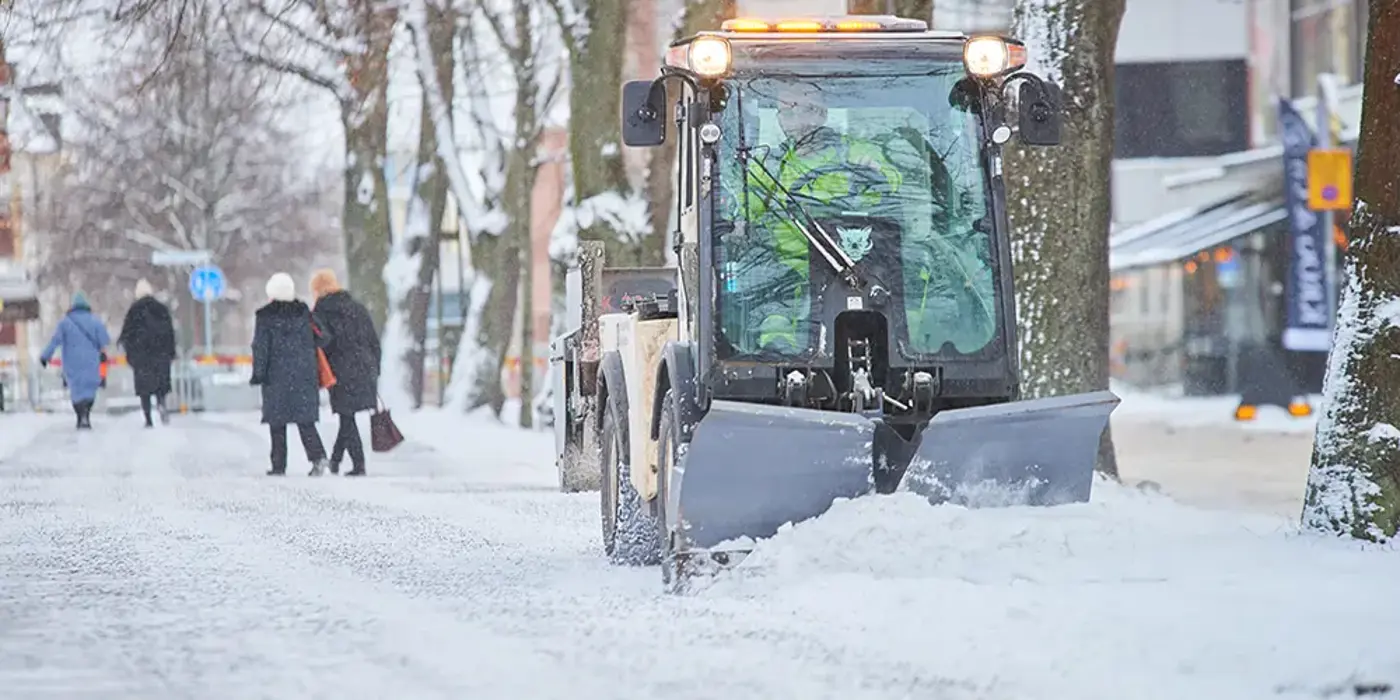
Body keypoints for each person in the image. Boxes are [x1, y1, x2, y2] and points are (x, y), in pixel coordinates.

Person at [250, 272, 329, 476]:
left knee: (277, 423)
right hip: (303, 375)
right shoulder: (304, 313)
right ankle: (318, 457)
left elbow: (261, 347)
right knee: (305, 421)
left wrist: (258, 373)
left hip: (276, 376)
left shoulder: (265, 316)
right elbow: (323, 338)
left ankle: (278, 464)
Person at [309, 269, 380, 477]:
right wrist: (376, 367)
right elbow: (373, 340)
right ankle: (336, 460)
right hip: (366, 367)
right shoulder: (357, 308)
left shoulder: (321, 313)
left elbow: (325, 342)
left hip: (340, 370)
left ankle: (359, 465)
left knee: (346, 417)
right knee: (346, 415)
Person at [39, 291, 111, 429]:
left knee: (76, 389)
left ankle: (80, 415)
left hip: (72, 363)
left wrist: (45, 356)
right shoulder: (95, 321)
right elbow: (105, 340)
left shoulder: (65, 323)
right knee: (89, 389)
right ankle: (86, 414)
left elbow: (55, 341)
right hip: (91, 362)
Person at [117, 279, 177, 428]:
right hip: (160, 354)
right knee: (160, 385)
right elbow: (170, 332)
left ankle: (148, 418)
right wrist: (171, 352)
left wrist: (129, 353)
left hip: (141, 356)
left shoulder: (134, 310)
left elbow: (127, 334)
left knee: (145, 389)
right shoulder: (161, 309)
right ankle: (161, 404)